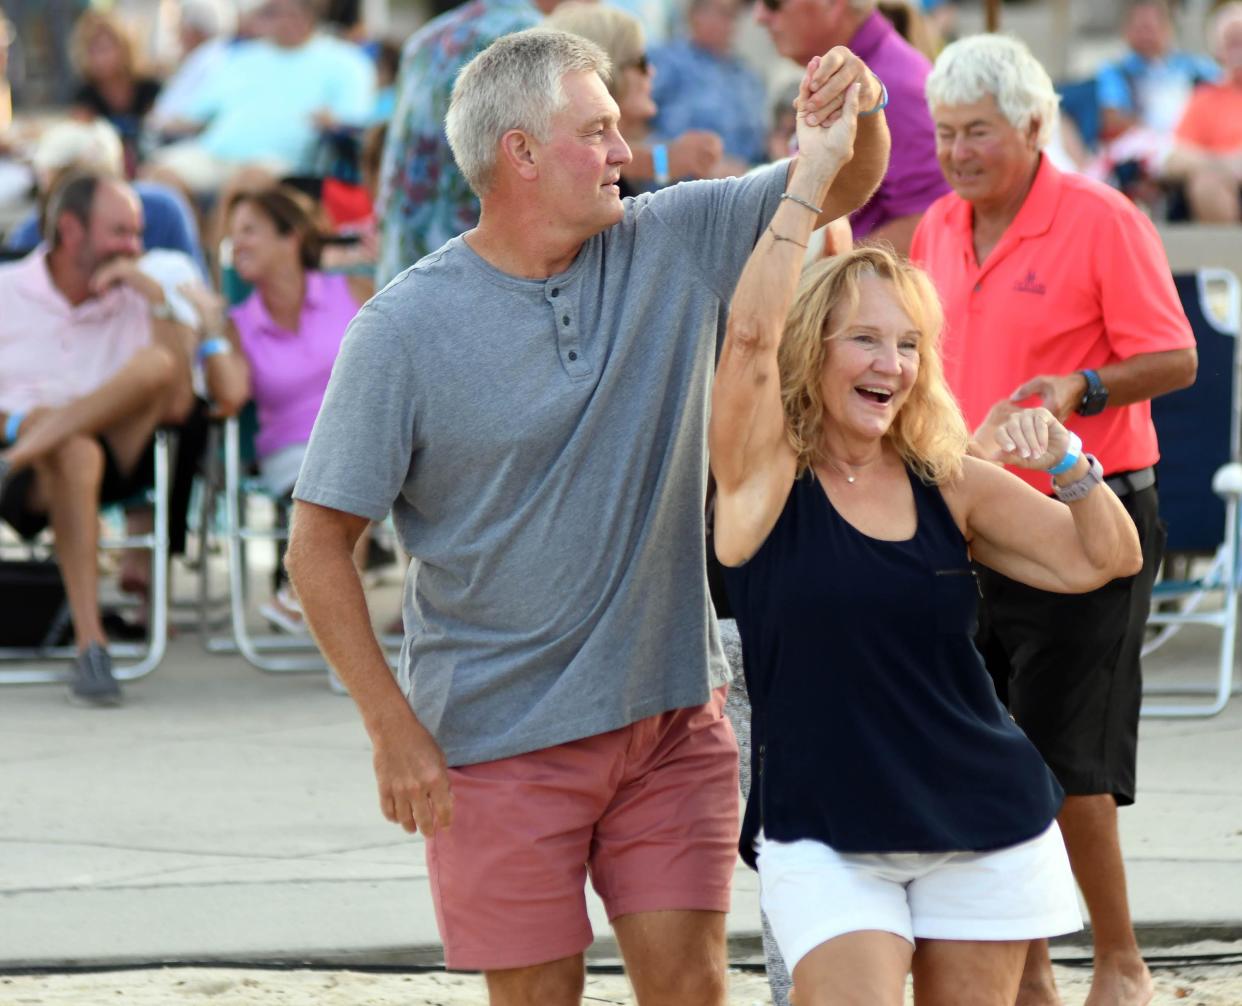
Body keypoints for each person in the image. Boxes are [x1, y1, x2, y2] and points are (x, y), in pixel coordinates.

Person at [286, 27, 889, 1003]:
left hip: (669, 720)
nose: (627, 151)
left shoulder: (673, 238)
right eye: (598, 130)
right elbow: (317, 547)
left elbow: (843, 183)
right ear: (519, 152)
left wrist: (858, 110)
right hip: (495, 739)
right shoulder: (401, 330)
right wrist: (389, 726)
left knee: (693, 990)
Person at [710, 91, 1139, 993]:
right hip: (826, 834)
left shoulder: (946, 481)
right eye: (864, 339)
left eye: (908, 344)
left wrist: (1069, 462)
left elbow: (1104, 558)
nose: (891, 365)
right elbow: (748, 337)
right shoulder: (763, 483)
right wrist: (811, 177)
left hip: (980, 817)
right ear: (810, 352)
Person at [910, 35, 1198, 1006]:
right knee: (988, 743)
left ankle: (1119, 958)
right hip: (973, 523)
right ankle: (1027, 964)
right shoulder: (937, 230)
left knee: (1067, 755)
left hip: (1092, 515)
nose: (957, 152)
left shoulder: (1101, 219)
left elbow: (1175, 358)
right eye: (945, 133)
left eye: (978, 132)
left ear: (1035, 127)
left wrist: (1079, 387)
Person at [0, 173, 199, 706]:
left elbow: (177, 403)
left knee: (156, 362)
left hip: (120, 461)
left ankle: (91, 644)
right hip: (24, 473)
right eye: (120, 232)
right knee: (76, 450)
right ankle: (92, 644)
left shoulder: (136, 294)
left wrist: (157, 300)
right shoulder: (7, 290)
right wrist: (20, 425)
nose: (134, 247)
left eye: (137, 232)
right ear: (71, 230)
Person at [220, 184, 372, 635]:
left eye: (249, 230)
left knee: (354, 465)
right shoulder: (238, 324)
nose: (237, 244)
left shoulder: (354, 290)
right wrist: (211, 331)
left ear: (291, 238)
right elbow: (228, 397)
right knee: (347, 474)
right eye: (233, 234)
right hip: (291, 456)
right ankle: (322, 617)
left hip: (369, 441)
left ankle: (304, 598)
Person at [756, 0, 947, 254]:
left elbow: (928, 219)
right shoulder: (874, 73)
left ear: (833, 4)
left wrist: (824, 278)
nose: (760, 16)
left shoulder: (894, 83)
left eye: (773, 3)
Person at [148, 0, 374, 196]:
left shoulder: (346, 61)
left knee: (248, 181)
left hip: (289, 165)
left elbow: (353, 121)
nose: (275, 19)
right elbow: (195, 114)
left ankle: (220, 246)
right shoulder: (243, 57)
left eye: (281, 10)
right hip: (216, 154)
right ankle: (192, 244)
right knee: (160, 174)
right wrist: (168, 121)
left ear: (308, 13)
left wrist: (331, 121)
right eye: (270, 11)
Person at [546, 2, 727, 194]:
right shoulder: (576, 174)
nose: (651, 71)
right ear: (605, 71)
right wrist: (663, 161)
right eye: (641, 62)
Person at [649, 0, 769, 172]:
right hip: (675, 190)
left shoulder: (747, 77)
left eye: (734, 15)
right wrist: (669, 166)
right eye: (722, 12)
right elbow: (631, 135)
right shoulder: (664, 62)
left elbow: (759, 148)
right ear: (694, 15)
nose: (730, 22)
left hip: (741, 189)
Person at [1164, 2, 1242, 223]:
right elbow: (1175, 158)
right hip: (1225, 190)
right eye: (1232, 43)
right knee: (1206, 182)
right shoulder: (1204, 99)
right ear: (1219, 51)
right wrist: (1226, 164)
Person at [69, 9, 163, 179]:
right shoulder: (85, 95)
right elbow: (83, 140)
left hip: (150, 166)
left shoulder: (148, 87)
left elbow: (158, 129)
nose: (102, 58)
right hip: (109, 172)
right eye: (94, 50)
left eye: (106, 48)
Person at [146, 0, 236, 136]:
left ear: (193, 30)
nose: (176, 34)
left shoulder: (214, 59)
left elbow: (201, 116)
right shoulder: (202, 57)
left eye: (180, 26)